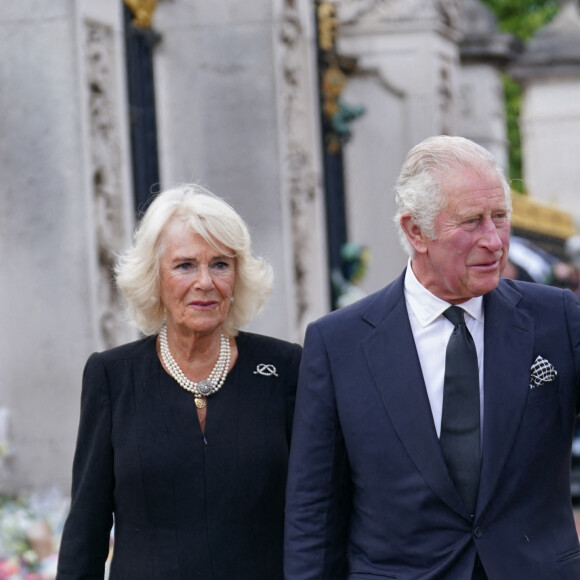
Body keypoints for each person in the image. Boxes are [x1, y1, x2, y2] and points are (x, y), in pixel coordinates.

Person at [284, 135, 580, 579]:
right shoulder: (338, 345)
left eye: (500, 217)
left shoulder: (557, 317)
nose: (495, 241)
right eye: (472, 222)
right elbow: (314, 513)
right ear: (415, 231)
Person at [57, 184, 302, 580]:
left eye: (220, 264)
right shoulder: (112, 376)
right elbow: (86, 530)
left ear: (238, 276)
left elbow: (317, 509)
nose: (205, 281)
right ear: (155, 277)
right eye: (185, 265)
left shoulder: (285, 368)